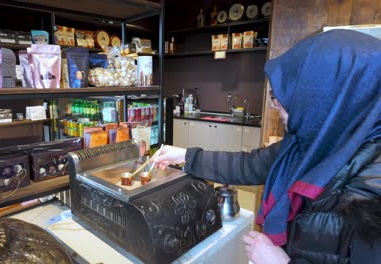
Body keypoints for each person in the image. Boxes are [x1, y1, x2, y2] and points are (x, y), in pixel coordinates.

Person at [154, 29, 381, 264]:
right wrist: (184, 156)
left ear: (322, 94)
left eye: (286, 93)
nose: (275, 105)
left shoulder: (371, 188)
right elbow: (249, 165)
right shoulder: (311, 143)